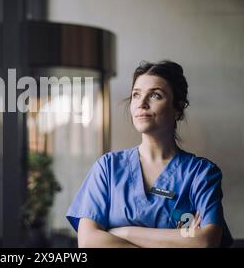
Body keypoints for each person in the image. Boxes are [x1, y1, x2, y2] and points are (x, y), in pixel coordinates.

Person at [66, 60, 233, 248]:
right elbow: (88, 242)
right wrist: (180, 239)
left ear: (177, 108)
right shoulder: (108, 168)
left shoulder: (201, 173)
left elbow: (205, 241)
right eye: (136, 95)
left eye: (155, 95)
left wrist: (123, 232)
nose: (142, 104)